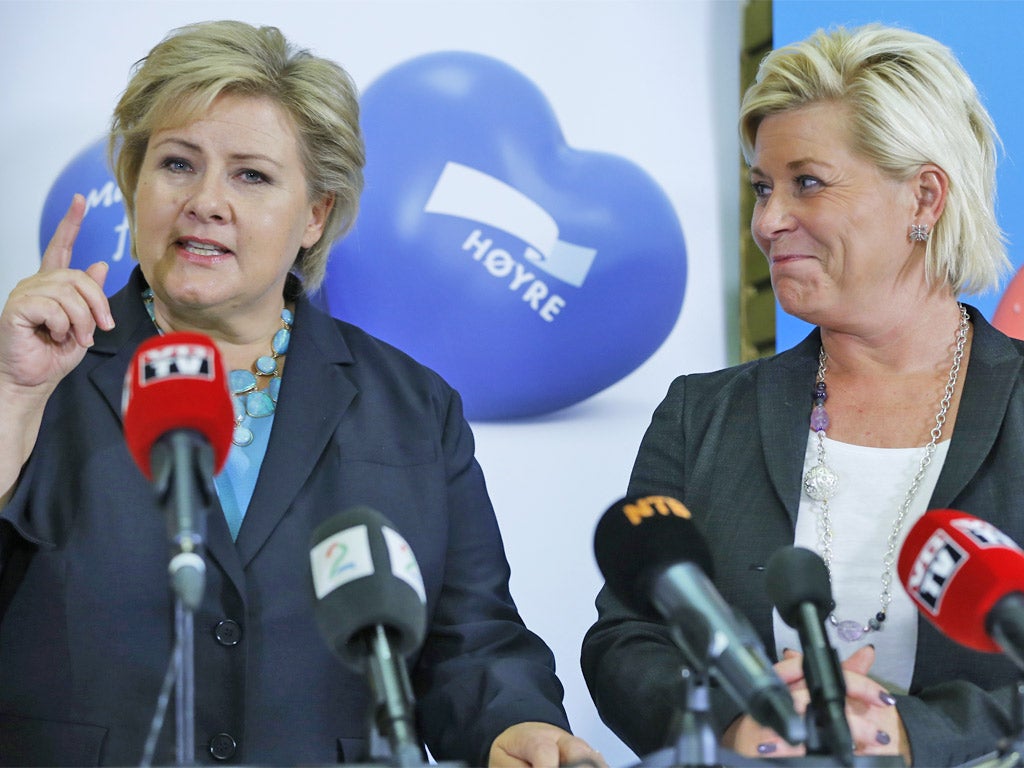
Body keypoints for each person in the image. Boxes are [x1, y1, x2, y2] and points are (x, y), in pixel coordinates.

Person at [0, 20, 605, 768]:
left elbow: (470, 640)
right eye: (177, 163)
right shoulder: (31, 370)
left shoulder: (413, 408)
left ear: (315, 214)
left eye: (251, 175)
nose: (206, 202)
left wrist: (513, 726)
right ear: (133, 183)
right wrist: (13, 399)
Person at [582, 23, 1021, 767]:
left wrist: (914, 734)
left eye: (806, 183)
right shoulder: (701, 412)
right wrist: (734, 721)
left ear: (924, 196)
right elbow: (629, 639)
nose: (767, 221)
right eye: (762, 188)